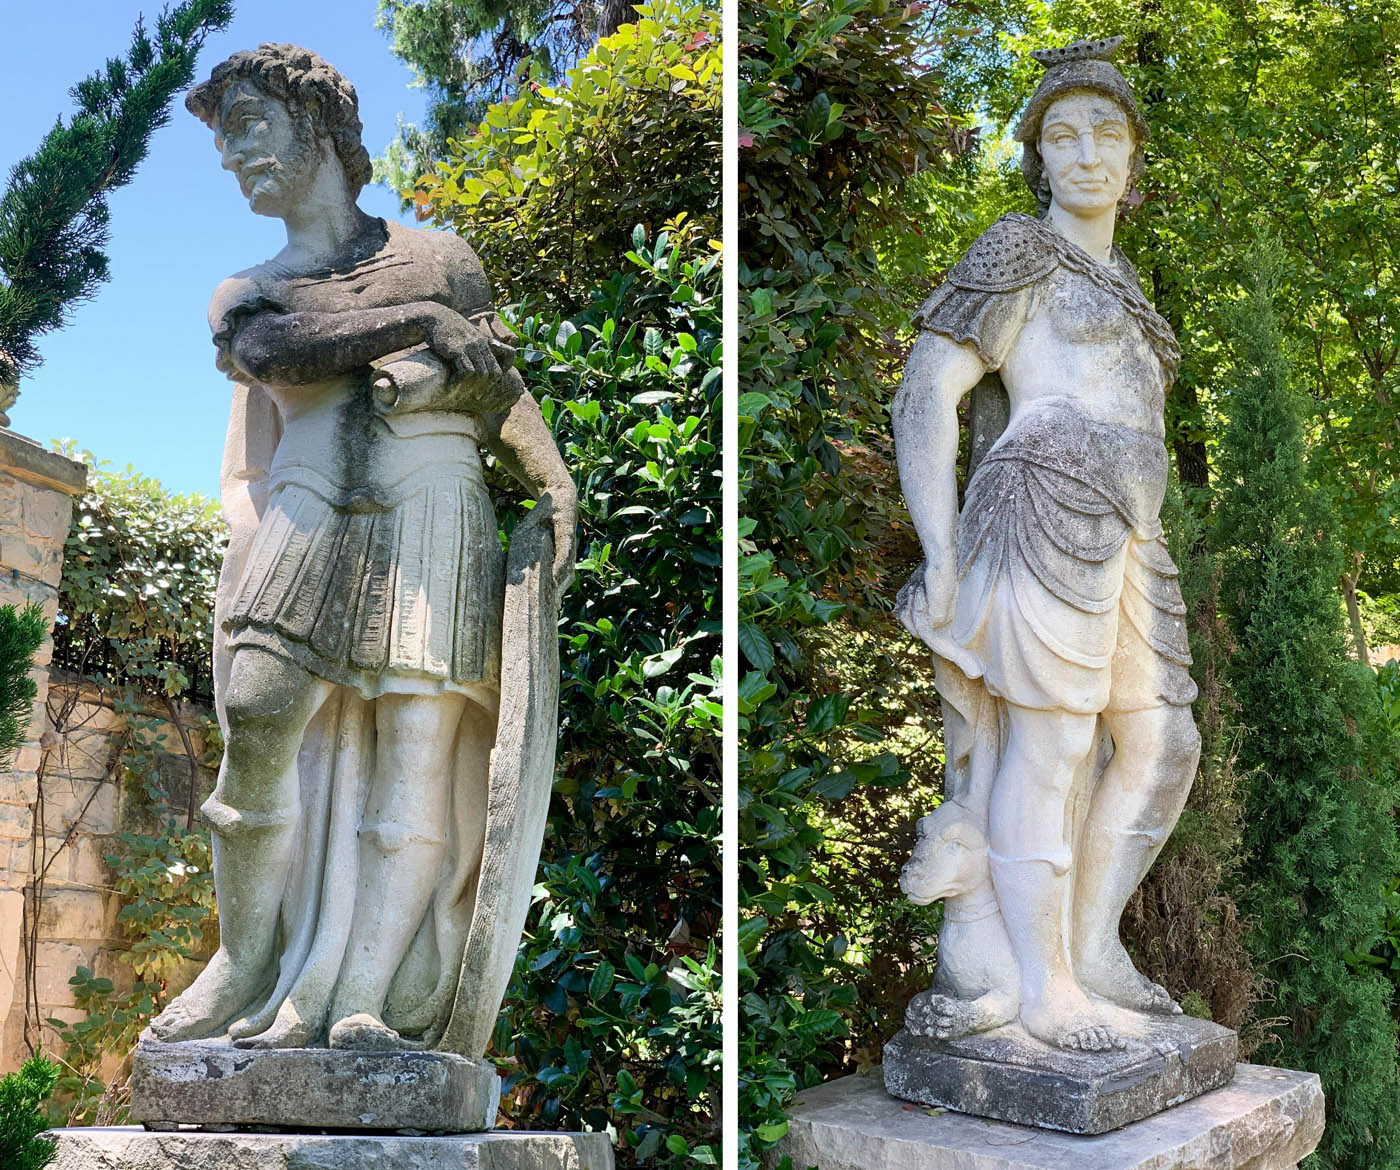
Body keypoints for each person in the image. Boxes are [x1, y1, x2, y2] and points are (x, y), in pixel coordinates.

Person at [147, 44, 576, 1053]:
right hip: (306, 502)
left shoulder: (441, 258)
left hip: (435, 498)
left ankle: (368, 999)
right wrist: (419, 325)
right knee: (256, 722)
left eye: (249, 125)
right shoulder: (248, 290)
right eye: (223, 137)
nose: (231, 155)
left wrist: (552, 478)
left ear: (319, 127)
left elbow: (495, 382)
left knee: (414, 754)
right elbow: (273, 353)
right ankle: (244, 961)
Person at [894, 37, 1201, 1053]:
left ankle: (1086, 942)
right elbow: (926, 393)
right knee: (1053, 749)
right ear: (1037, 157)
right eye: (1059, 136)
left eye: (1103, 134)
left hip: (1128, 533)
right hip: (1036, 514)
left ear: (1132, 156)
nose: (1083, 154)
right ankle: (1043, 987)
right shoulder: (1013, 250)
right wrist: (939, 553)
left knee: (1160, 747)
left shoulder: (1125, 283)